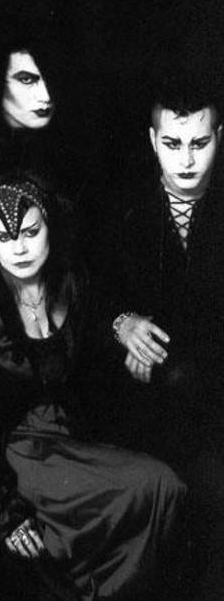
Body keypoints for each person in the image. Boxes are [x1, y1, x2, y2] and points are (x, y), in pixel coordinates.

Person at [0, 172, 186, 601]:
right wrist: (1, 512)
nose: (19, 248)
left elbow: (99, 312)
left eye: (31, 232)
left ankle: (107, 600)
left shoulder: (68, 281)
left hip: (70, 430)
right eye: (4, 238)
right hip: (11, 452)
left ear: (50, 227)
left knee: (162, 486)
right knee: (145, 487)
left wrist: (123, 325)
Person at [102, 80, 224, 469]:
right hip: (140, 395)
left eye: (199, 144)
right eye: (172, 144)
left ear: (219, 137)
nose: (186, 160)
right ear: (153, 141)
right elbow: (92, 287)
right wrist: (122, 325)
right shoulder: (123, 207)